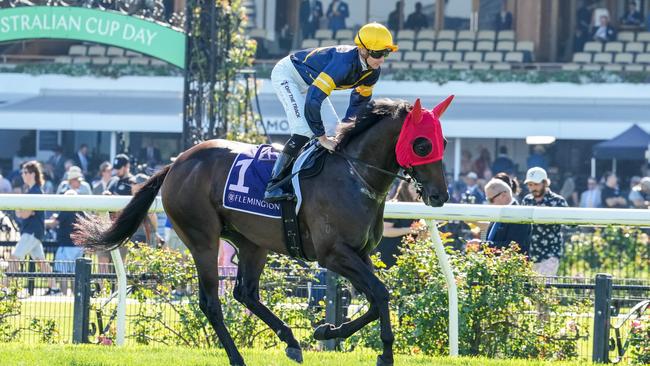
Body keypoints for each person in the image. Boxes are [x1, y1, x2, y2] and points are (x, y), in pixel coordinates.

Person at [264, 22, 398, 202]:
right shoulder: (342, 64)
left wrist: (347, 130)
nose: (382, 59)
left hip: (312, 84)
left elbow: (359, 103)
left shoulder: (373, 72)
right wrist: (321, 138)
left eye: (386, 53)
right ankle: (274, 186)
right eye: (378, 53)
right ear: (363, 51)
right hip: (288, 76)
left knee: (336, 131)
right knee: (304, 130)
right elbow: (313, 99)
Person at [10, 161, 56, 293]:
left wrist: (21, 211)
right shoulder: (31, 190)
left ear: (32, 174)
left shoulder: (35, 191)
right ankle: (55, 288)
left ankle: (4, 289)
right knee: (42, 262)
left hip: (31, 232)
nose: (22, 175)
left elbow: (24, 214)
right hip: (34, 232)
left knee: (14, 258)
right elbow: (25, 213)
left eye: (25, 172)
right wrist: (23, 211)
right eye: (22, 172)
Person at [521, 167, 568, 276]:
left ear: (545, 183)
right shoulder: (526, 200)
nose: (533, 188)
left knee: (544, 288)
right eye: (530, 185)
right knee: (530, 291)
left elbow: (571, 225)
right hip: (530, 255)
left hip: (550, 254)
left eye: (536, 184)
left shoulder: (558, 201)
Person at [375, 180, 426, 268]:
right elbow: (385, 231)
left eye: (419, 188)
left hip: (408, 255)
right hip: (389, 255)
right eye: (413, 187)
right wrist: (411, 230)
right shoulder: (394, 206)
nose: (417, 191)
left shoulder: (418, 207)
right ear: (405, 189)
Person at [47, 189, 85, 295]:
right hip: (78, 246)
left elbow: (55, 223)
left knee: (63, 273)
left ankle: (64, 295)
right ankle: (75, 295)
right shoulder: (81, 211)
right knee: (74, 273)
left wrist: (43, 223)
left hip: (66, 245)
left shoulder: (67, 209)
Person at [479, 179, 531, 255]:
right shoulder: (498, 213)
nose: (489, 204)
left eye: (491, 200)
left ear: (503, 195)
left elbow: (513, 247)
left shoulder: (520, 215)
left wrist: (482, 245)